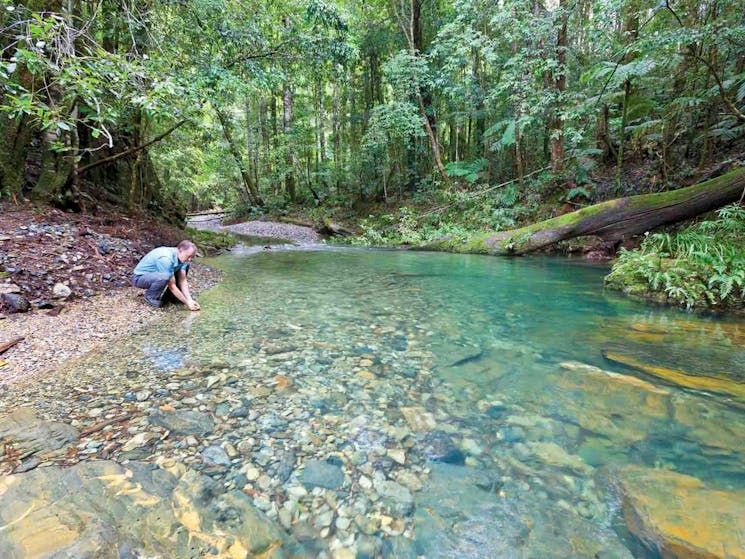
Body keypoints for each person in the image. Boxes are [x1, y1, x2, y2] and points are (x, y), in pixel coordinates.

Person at [131, 240, 201, 310]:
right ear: (180, 250)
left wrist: (190, 300)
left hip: (156, 275)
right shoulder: (166, 259)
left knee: (183, 268)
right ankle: (150, 297)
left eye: (192, 257)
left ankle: (170, 297)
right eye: (188, 256)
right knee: (165, 277)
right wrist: (187, 303)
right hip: (139, 278)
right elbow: (172, 285)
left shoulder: (183, 258)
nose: (189, 259)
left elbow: (182, 280)